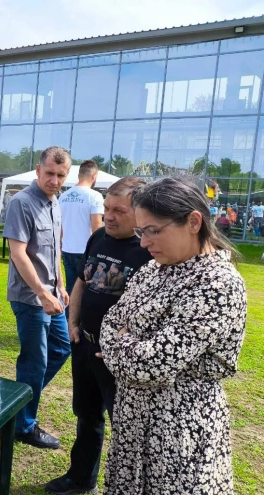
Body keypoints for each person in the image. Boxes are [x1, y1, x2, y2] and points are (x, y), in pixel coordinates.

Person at [99, 177, 246, 495]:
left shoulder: (216, 283)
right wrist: (131, 344)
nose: (143, 243)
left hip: (178, 432)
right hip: (132, 424)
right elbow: (110, 323)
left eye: (153, 230)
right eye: (141, 231)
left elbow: (151, 366)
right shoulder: (152, 270)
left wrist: (124, 342)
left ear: (193, 221)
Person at [45, 177, 152, 495]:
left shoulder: (149, 251)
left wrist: (122, 345)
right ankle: (81, 478)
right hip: (85, 345)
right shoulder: (99, 237)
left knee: (128, 428)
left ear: (140, 212)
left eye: (119, 210)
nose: (109, 215)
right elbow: (81, 281)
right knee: (87, 415)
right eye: (107, 207)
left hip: (118, 357)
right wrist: (73, 323)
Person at [3, 146, 71, 449]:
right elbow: (18, 253)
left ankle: (15, 405)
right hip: (30, 298)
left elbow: (53, 249)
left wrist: (60, 285)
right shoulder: (22, 202)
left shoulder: (55, 203)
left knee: (61, 347)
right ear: (38, 169)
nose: (55, 180)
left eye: (61, 175)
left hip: (52, 294)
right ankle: (23, 425)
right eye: (50, 173)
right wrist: (43, 292)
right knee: (35, 361)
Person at [58, 160, 104, 303]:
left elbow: (59, 226)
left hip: (67, 249)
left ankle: (68, 320)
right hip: (86, 251)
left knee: (71, 288)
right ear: (94, 176)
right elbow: (97, 226)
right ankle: (78, 321)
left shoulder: (63, 196)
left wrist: (60, 245)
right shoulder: (94, 196)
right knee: (88, 290)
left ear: (79, 175)